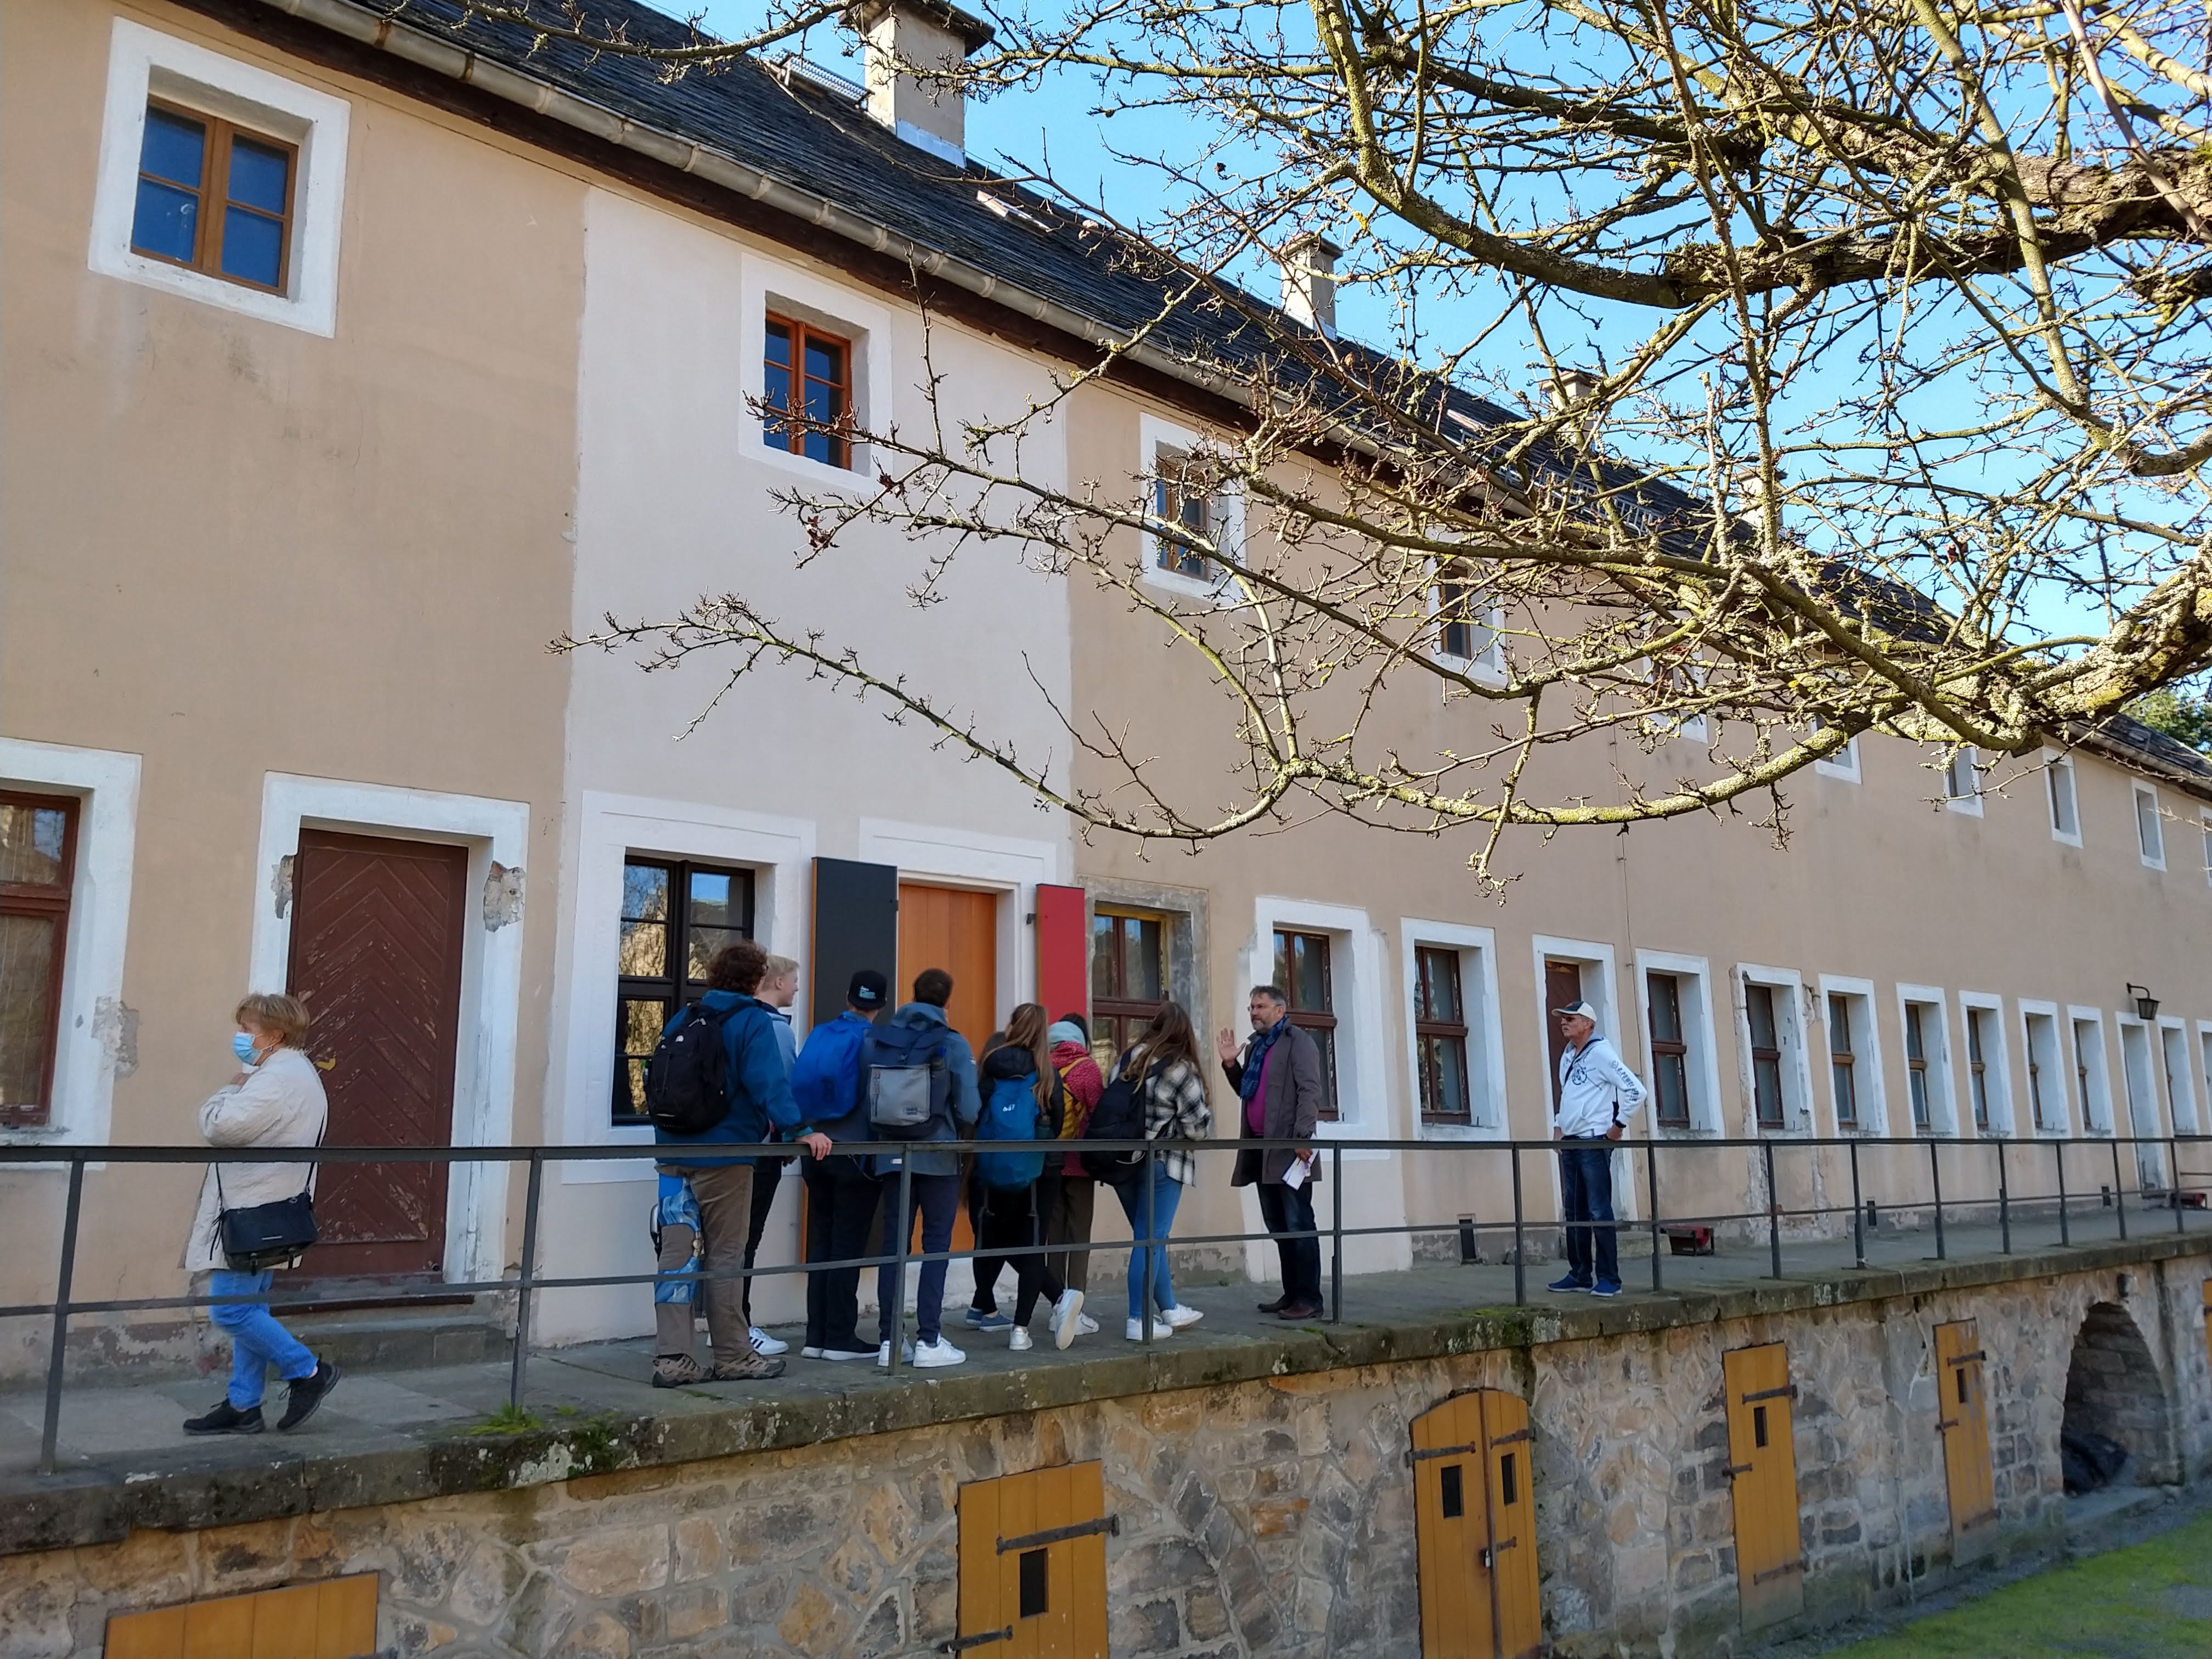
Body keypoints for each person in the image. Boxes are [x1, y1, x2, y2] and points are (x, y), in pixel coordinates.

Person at [652, 940, 827, 1386]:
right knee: (726, 1255)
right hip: (726, 1156)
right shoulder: (752, 1021)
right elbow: (770, 1085)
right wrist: (802, 1130)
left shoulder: (684, 1016)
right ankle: (733, 1355)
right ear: (755, 979)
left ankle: (672, 1358)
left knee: (675, 1255)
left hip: (673, 1154)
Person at [180, 993, 340, 1435]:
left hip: (252, 1214)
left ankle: (308, 1371)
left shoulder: (277, 1079)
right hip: (269, 1211)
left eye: (247, 1029)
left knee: (231, 1311)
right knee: (251, 1308)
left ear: (275, 1035)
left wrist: (231, 1089)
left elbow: (220, 1127)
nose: (241, 1036)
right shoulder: (293, 1073)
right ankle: (244, 1404)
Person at [871, 968, 981, 1367]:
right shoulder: (952, 1042)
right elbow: (970, 1109)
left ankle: (889, 1342)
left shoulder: (883, 1038)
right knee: (936, 1247)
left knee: (893, 1248)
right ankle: (929, 1341)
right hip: (939, 1154)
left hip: (892, 1154)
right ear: (947, 1001)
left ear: (914, 995)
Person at [790, 969, 890, 1361]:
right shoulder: (873, 1041)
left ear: (849, 997)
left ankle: (815, 1336)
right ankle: (839, 1338)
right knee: (847, 1246)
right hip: (854, 1155)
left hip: (815, 1150)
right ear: (881, 1005)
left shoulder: (819, 1033)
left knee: (822, 1242)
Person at [975, 1005, 1087, 1351]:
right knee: (1033, 1243)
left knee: (1002, 1238)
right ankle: (1021, 1331)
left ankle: (1053, 1299)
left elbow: (977, 1112)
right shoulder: (1046, 1073)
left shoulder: (991, 1065)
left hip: (995, 1168)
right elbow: (1057, 1124)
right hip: (1041, 1169)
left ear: (1012, 1026)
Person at [1220, 984, 1325, 1321]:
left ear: (1280, 1010)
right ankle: (1291, 1294)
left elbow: (1310, 1090)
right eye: (1252, 1007)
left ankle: (1309, 1298)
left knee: (1298, 1222)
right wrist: (1230, 1064)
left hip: (1290, 1150)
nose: (1254, 1012)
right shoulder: (1257, 1047)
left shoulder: (1298, 1042)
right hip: (1261, 1149)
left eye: (1261, 1006)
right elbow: (1247, 1091)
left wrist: (1303, 1136)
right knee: (1277, 1224)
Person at [1113, 1002, 1213, 1340]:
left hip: (1123, 1162)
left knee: (1150, 1238)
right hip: (1163, 1162)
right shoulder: (1180, 1069)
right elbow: (1198, 1129)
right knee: (1151, 1239)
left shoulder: (1126, 1061)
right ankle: (1138, 1320)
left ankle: (1169, 1308)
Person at [1547, 998, 1647, 1298]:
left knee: (1598, 1209)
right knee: (1574, 1210)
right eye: (1563, 1018)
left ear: (1588, 1024)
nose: (1564, 1022)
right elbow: (1568, 1094)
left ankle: (1609, 1278)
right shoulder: (1568, 1055)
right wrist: (1559, 1126)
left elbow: (1636, 1091)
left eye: (1571, 1018)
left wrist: (1619, 1125)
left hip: (1593, 1141)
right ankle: (1579, 1273)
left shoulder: (1601, 1053)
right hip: (1572, 1141)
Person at [736, 952, 803, 1356]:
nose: (796, 988)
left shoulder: (735, 1020)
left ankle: (727, 1324)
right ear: (777, 982)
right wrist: (794, 1134)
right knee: (747, 1238)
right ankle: (739, 1327)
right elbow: (781, 1088)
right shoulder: (774, 1029)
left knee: (727, 1240)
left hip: (728, 1143)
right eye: (793, 980)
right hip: (760, 1146)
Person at [1043, 1015, 1102, 1334]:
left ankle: (1057, 1308)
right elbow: (1099, 1115)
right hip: (1080, 1165)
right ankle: (1075, 1312)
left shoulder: (1044, 1065)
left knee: (1055, 1237)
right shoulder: (1087, 1068)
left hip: (1049, 1163)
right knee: (1079, 1237)